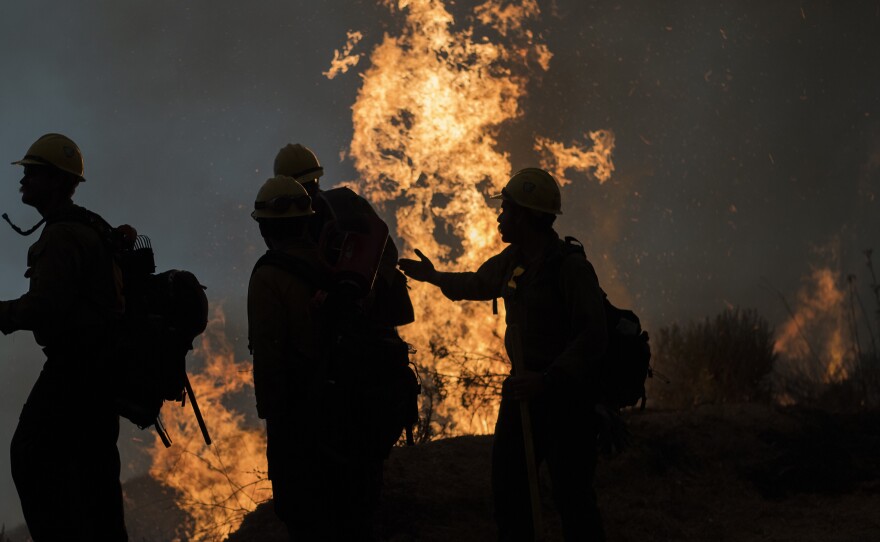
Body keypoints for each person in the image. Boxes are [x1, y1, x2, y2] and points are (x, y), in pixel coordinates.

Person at [398, 167, 609, 541]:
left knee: (573, 496)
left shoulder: (571, 268)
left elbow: (593, 336)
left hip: (565, 398)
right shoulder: (514, 262)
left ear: (528, 217)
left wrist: (547, 380)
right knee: (510, 491)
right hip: (523, 394)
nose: (500, 217)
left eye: (508, 210)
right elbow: (477, 283)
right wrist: (434, 277)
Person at [0, 133, 128, 540]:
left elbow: (45, 306)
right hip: (101, 372)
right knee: (95, 477)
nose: (24, 181)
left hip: (74, 371)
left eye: (33, 174)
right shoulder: (87, 227)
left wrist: (2, 313)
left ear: (56, 181)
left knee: (29, 454)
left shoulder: (61, 236)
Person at [248, 175, 380, 540]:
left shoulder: (269, 275)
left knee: (305, 517)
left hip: (300, 417)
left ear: (264, 228)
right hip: (351, 411)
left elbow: (269, 353)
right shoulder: (342, 264)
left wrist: (274, 417)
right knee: (350, 516)